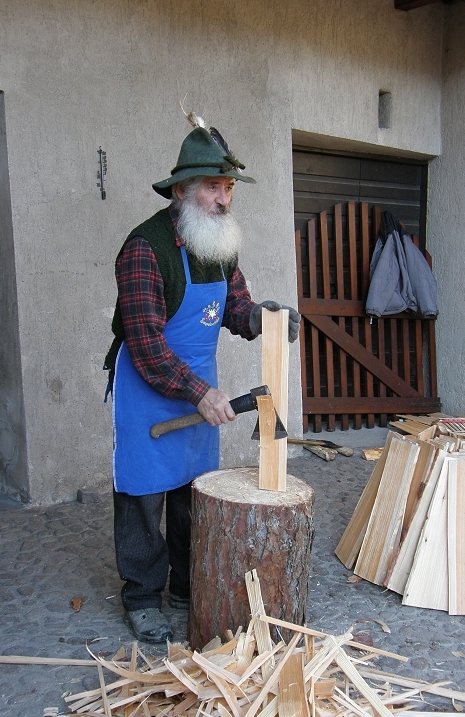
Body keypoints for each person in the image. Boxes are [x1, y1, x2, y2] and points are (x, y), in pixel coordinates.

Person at [104, 121, 300, 643]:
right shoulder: (145, 249)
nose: (223, 199)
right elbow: (146, 343)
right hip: (149, 391)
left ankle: (187, 587)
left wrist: (263, 318)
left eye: (228, 187)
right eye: (213, 187)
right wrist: (200, 393)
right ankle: (142, 597)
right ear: (183, 190)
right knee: (144, 498)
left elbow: (233, 308)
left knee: (193, 495)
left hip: (200, 390)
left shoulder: (219, 244)